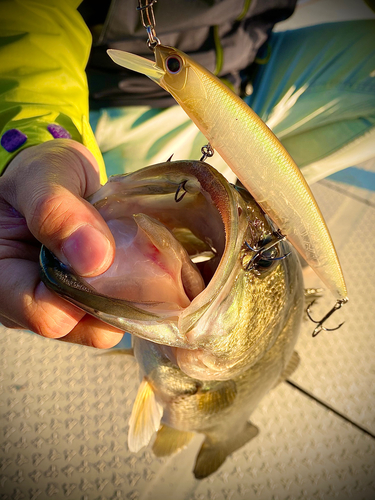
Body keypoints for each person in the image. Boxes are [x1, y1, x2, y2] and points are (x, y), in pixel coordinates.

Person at [0, 0, 374, 347]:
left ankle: (252, 208)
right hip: (123, 101)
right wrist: (35, 137)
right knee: (113, 274)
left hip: (251, 71)